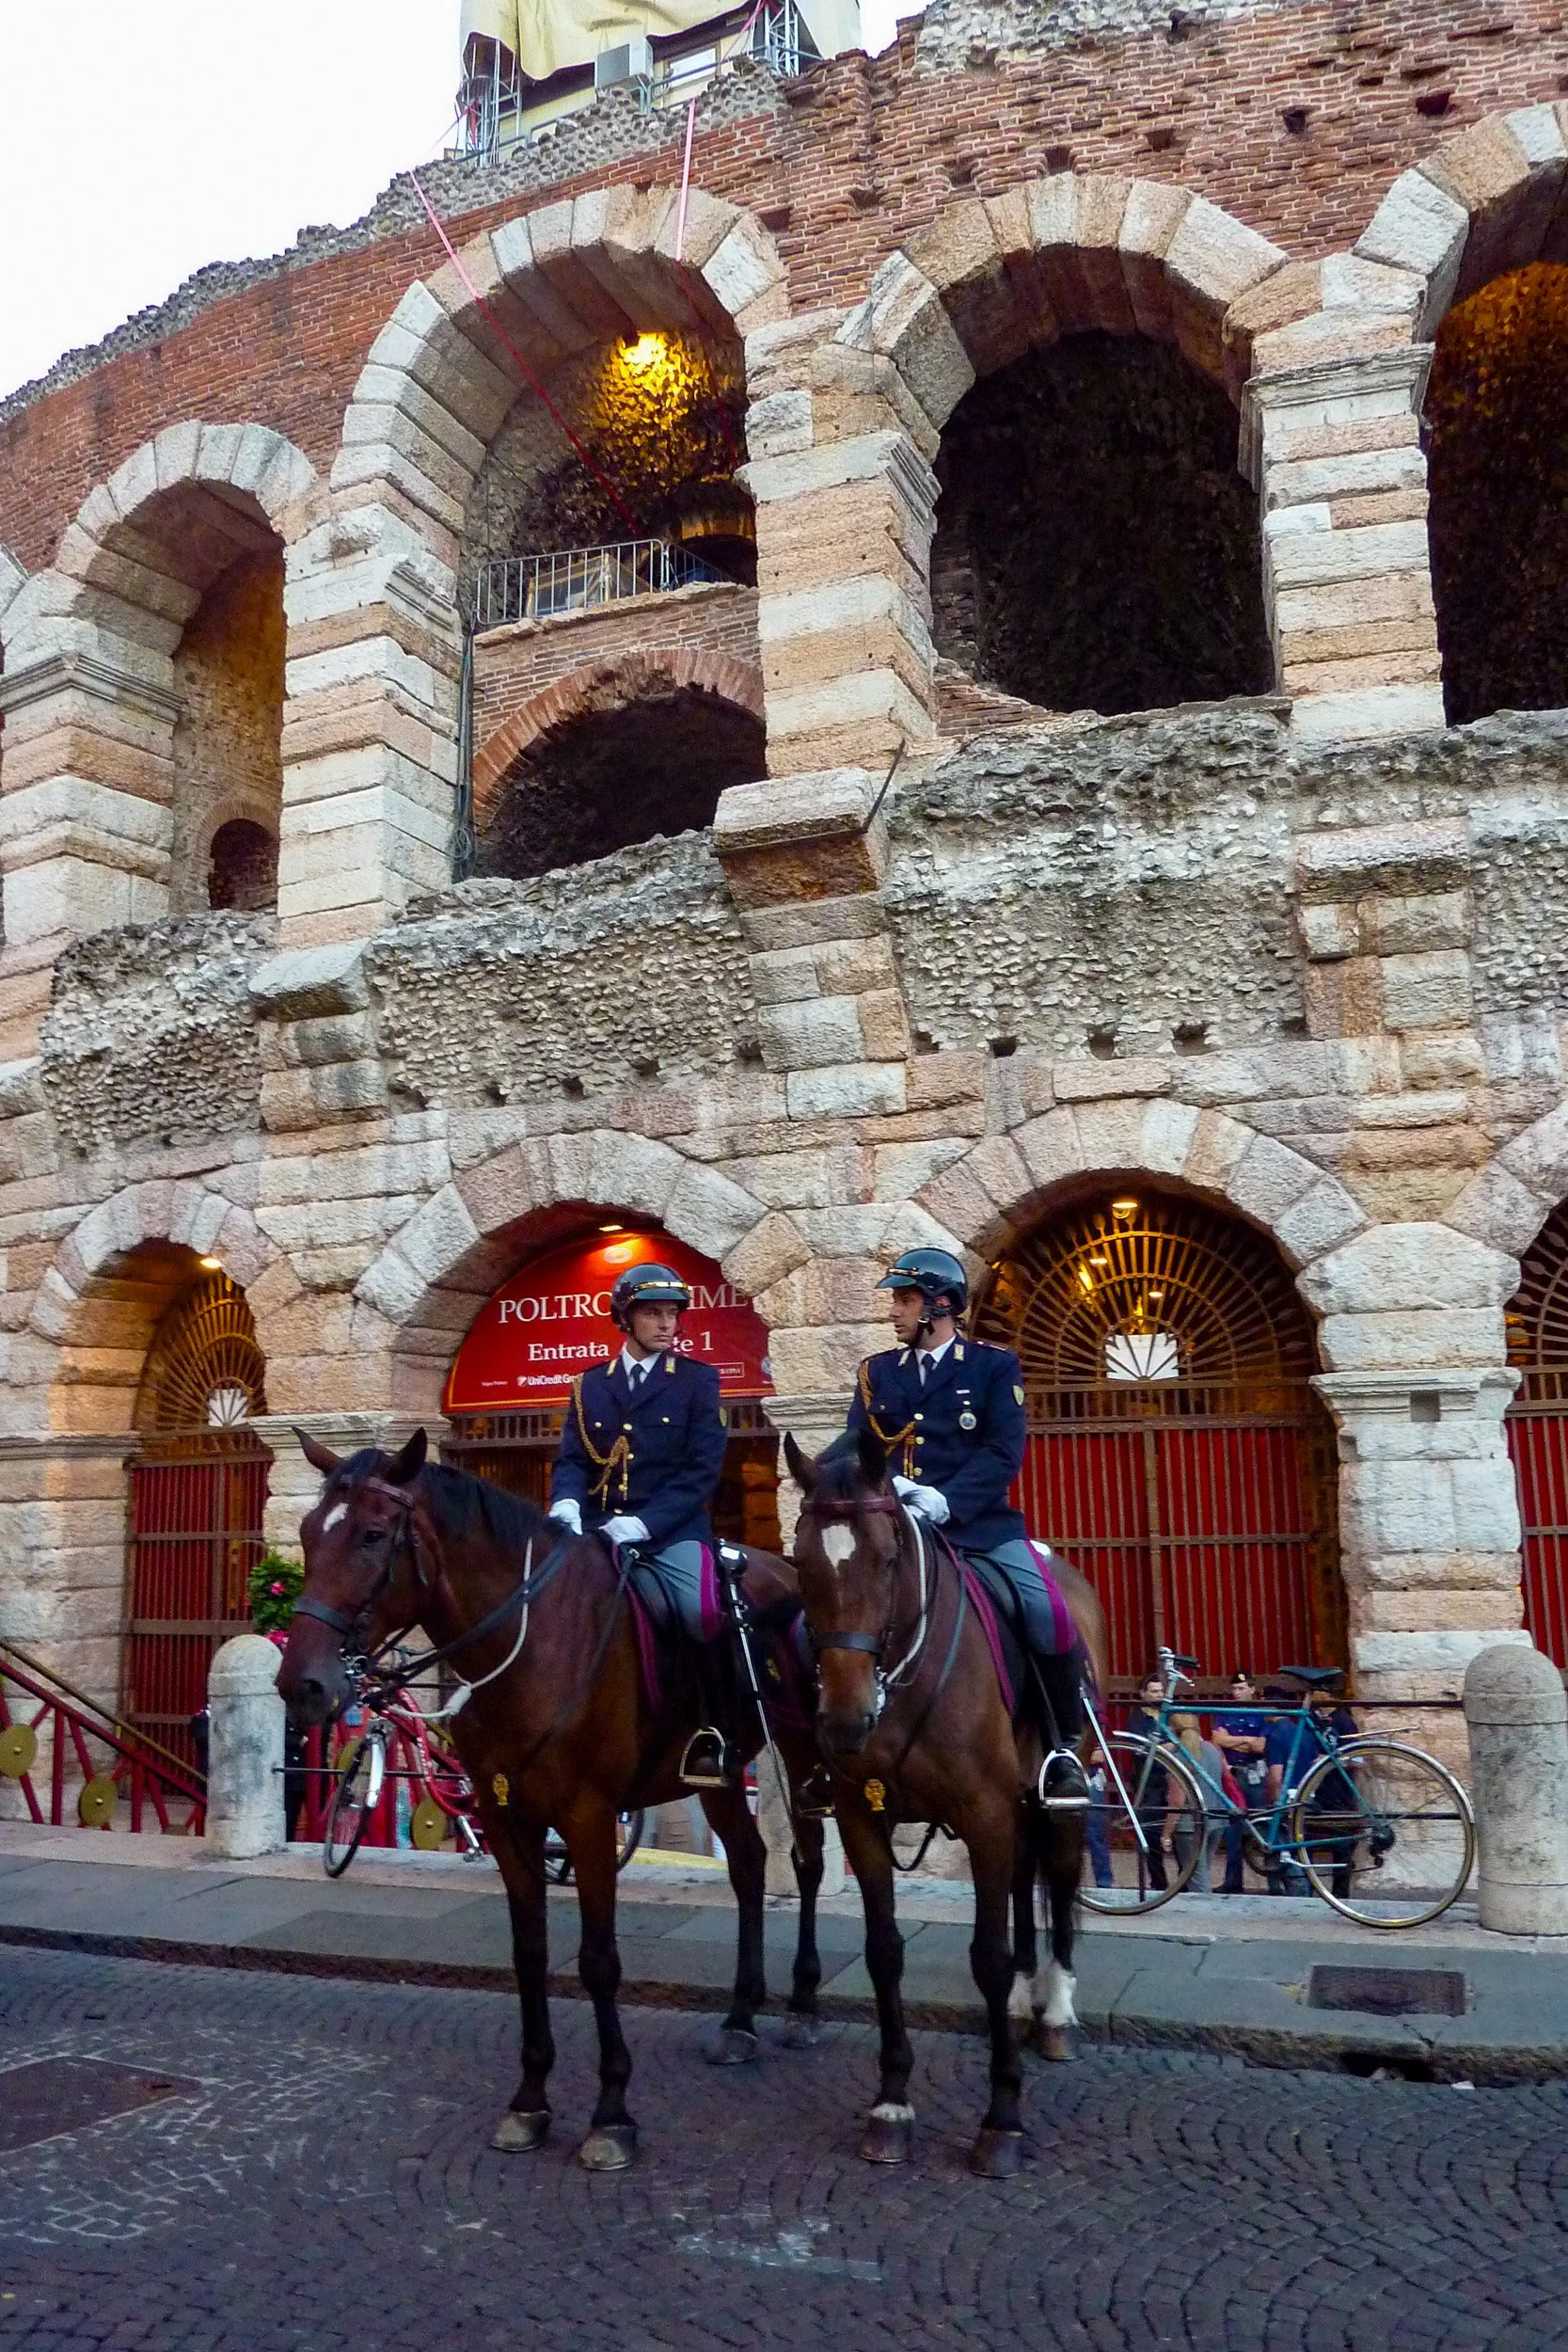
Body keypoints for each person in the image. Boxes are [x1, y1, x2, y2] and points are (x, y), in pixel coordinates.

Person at [846, 1247, 1088, 1806]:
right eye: (897, 1301)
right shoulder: (876, 1373)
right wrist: (876, 1488)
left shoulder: (992, 1366)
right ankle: (832, 1749)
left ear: (940, 1306)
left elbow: (1004, 1452)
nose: (895, 1312)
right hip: (899, 1530)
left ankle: (1062, 1750)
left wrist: (945, 1500)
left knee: (1046, 1613)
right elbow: (858, 1447)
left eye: (905, 1301)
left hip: (978, 1527)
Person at [548, 1261, 734, 1786]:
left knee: (700, 1613)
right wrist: (566, 1504)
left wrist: (643, 1525)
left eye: (672, 1314)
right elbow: (572, 1461)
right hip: (598, 1531)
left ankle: (712, 1730)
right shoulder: (590, 1386)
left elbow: (702, 1472)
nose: (667, 1324)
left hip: (670, 1533)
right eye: (653, 1313)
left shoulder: (698, 1382)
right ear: (624, 1318)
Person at [1263, 1689, 1359, 1897]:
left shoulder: (1344, 1721)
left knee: (1341, 1847)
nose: (1313, 1695)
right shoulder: (1311, 1721)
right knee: (1306, 1841)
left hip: (1339, 1792)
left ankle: (1341, 1896)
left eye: (1318, 1691)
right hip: (1315, 1791)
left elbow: (1359, 1759)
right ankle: (1312, 1893)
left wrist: (1329, 1761)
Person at [1212, 1669, 1271, 1894]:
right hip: (1234, 1774)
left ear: (1252, 1689)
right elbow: (1218, 1739)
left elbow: (1261, 1746)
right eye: (1234, 1689)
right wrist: (1247, 1739)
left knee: (1263, 1825)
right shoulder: (1226, 1712)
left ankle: (1274, 1881)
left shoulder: (1261, 1713)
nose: (1237, 1692)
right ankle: (1233, 1881)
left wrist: (1232, 1741)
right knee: (1233, 1830)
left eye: (1241, 1688)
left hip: (1256, 1775)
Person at [1168, 1711, 1227, 1892]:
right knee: (1202, 1872)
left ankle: (1208, 1915)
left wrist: (1166, 1833)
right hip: (1216, 1819)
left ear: (1173, 1730)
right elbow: (1225, 1775)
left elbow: (1177, 1802)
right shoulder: (1213, 1749)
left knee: (1196, 1879)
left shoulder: (1178, 1756)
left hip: (1190, 1826)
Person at [1124, 1672, 1172, 1891]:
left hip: (1171, 1780)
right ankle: (1159, 1882)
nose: (1158, 1695)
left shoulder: (1170, 1714)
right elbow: (1140, 1749)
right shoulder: (1136, 1718)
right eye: (1153, 1691)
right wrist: (1167, 1747)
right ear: (1143, 1694)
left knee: (1180, 1832)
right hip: (1148, 1781)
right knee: (1151, 1835)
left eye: (1161, 1691)